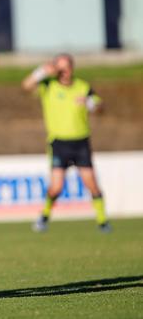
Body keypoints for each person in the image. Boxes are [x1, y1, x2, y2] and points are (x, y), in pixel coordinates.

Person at [21, 53, 110, 233]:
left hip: (81, 142)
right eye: (59, 68)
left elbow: (101, 107)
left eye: (66, 68)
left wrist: (90, 103)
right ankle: (44, 217)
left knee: (91, 183)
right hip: (59, 143)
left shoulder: (83, 86)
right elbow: (26, 86)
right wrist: (41, 71)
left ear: (72, 68)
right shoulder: (48, 85)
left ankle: (103, 222)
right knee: (56, 187)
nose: (63, 72)